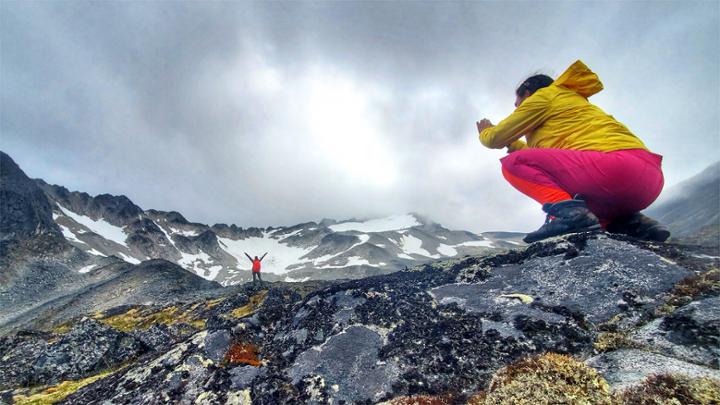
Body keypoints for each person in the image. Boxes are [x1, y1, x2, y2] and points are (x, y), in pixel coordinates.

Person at [476, 60, 670, 243]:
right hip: (648, 180)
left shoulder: (543, 97)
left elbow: (495, 139)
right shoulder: (570, 101)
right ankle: (630, 222)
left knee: (514, 164)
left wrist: (485, 131)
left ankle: (570, 215)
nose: (516, 107)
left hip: (615, 170)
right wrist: (514, 144)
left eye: (517, 101)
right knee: (578, 196)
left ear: (527, 92)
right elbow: (553, 157)